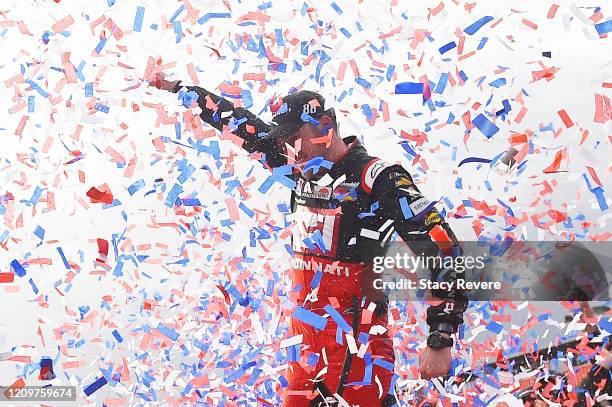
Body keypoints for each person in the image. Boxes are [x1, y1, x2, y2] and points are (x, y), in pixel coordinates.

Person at [151, 73, 468, 406]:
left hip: (358, 354)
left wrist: (440, 336)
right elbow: (240, 124)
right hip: (305, 352)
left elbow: (444, 248)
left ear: (325, 126)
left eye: (295, 137)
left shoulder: (377, 179)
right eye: (281, 142)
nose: (287, 150)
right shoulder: (295, 169)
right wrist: (178, 89)